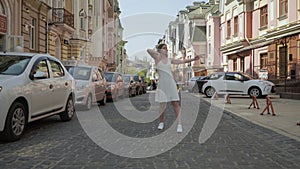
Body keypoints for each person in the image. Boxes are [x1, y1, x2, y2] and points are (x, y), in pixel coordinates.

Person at [147, 44, 200, 132]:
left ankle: (179, 124)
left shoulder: (169, 60)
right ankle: (161, 122)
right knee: (162, 105)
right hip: (162, 84)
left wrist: (193, 59)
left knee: (175, 103)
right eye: (164, 48)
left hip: (171, 83)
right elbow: (148, 50)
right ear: (160, 50)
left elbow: (181, 61)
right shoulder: (157, 59)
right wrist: (159, 53)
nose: (166, 50)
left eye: (167, 48)